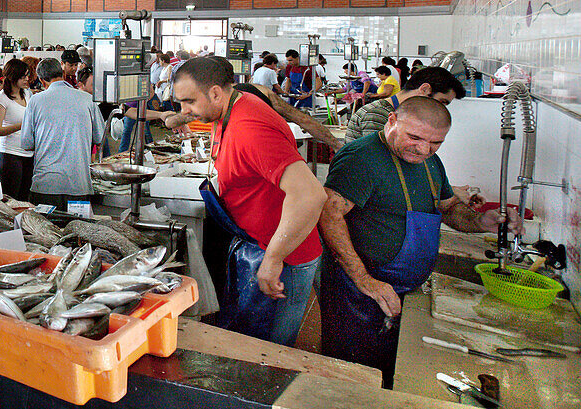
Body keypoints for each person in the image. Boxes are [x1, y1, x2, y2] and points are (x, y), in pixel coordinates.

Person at [318, 98, 521, 387]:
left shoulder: (429, 162)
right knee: (353, 373)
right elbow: (329, 215)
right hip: (359, 291)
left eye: (435, 142)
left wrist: (480, 222)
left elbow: (449, 207)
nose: (424, 149)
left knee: (390, 370)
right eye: (414, 137)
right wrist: (364, 279)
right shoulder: (361, 158)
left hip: (403, 287)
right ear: (391, 121)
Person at [172, 57, 327, 346]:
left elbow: (310, 195)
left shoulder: (250, 127)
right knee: (247, 334)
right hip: (256, 242)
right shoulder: (230, 107)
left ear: (216, 93)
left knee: (267, 349)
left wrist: (274, 258)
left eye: (189, 101)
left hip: (285, 259)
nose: (185, 111)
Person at [165, 59, 343, 152]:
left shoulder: (225, 102)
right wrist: (335, 144)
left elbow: (171, 122)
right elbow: (303, 120)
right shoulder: (261, 91)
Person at [21, 58, 105, 209]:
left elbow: (27, 144)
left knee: (43, 231)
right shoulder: (87, 99)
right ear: (63, 74)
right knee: (79, 230)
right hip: (78, 185)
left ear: (41, 80)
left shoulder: (35, 101)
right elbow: (99, 137)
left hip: (46, 184)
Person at [346, 66, 466, 141]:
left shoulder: (401, 115)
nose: (440, 109)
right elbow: (379, 166)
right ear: (424, 90)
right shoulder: (377, 114)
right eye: (441, 102)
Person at [0, 59, 34, 201]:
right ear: (12, 77)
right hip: (10, 154)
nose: (26, 79)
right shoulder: (1, 99)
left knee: (24, 198)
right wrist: (22, 125)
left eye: (27, 75)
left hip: (28, 153)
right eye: (23, 77)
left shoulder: (27, 94)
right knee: (10, 199)